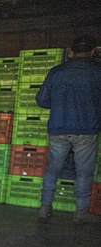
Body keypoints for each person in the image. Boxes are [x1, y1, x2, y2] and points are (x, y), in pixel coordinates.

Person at [36, 34, 101, 224]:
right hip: (86, 130)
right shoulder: (97, 73)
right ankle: (80, 213)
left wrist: (59, 104)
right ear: (92, 52)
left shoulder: (56, 72)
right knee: (84, 172)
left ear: (71, 52)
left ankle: (45, 207)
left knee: (52, 170)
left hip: (58, 128)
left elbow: (41, 100)